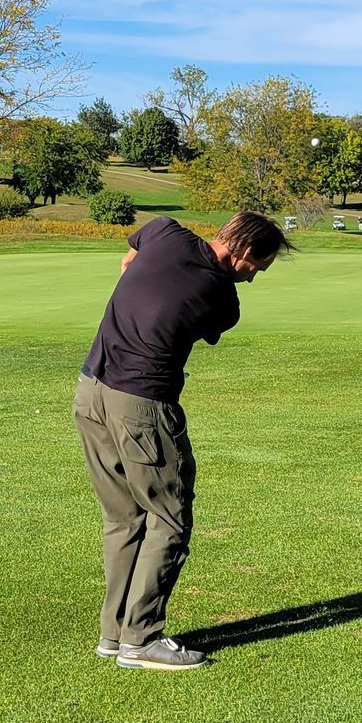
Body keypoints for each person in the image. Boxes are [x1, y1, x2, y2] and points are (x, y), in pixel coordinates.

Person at [74, 211, 291, 669]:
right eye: (257, 268)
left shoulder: (163, 232)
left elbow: (128, 262)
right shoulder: (222, 299)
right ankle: (142, 639)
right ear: (244, 251)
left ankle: (114, 634)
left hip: (91, 391)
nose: (252, 280)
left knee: (124, 519)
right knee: (169, 518)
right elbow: (206, 323)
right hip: (143, 406)